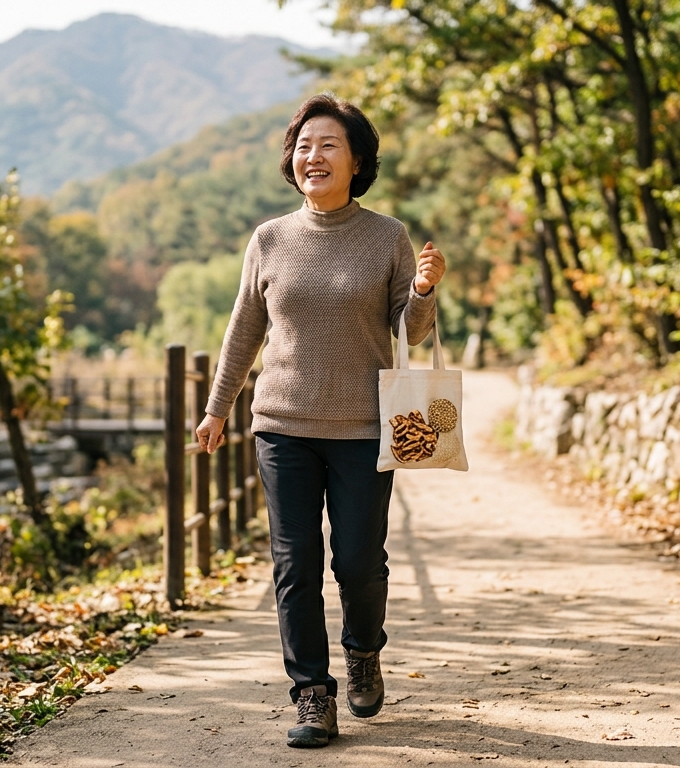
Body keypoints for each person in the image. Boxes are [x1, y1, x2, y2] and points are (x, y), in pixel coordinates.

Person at [196, 93, 446, 749]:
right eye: (305, 146)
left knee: (359, 562)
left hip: (365, 428)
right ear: (292, 160)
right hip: (282, 426)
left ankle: (364, 648)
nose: (315, 156)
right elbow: (243, 330)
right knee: (293, 564)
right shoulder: (269, 239)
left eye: (329, 145)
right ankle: (312, 695)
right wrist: (217, 407)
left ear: (357, 161)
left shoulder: (388, 236)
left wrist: (421, 291)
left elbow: (410, 333)